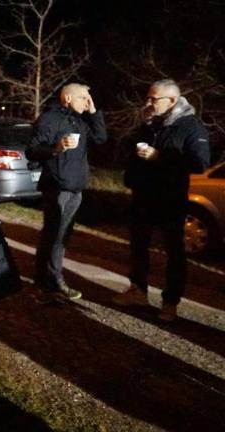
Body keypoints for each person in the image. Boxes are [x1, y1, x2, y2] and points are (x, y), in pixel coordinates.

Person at [113, 79, 210, 321]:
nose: (148, 102)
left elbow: (199, 163)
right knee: (138, 244)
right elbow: (129, 149)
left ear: (172, 101)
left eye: (153, 99)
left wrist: (159, 156)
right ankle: (138, 290)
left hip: (170, 196)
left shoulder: (191, 127)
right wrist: (142, 125)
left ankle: (170, 302)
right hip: (143, 194)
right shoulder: (151, 124)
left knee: (174, 249)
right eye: (147, 97)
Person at [26, 83, 107, 301]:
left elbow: (101, 138)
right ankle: (51, 281)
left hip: (76, 187)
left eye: (89, 98)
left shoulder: (81, 120)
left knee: (61, 236)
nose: (87, 102)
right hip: (57, 186)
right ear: (68, 98)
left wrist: (93, 112)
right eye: (83, 98)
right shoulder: (50, 119)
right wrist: (56, 148)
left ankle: (45, 280)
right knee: (54, 235)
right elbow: (32, 150)